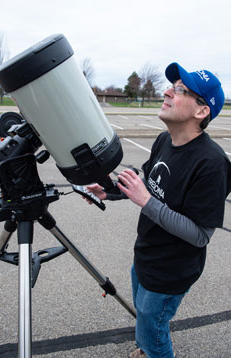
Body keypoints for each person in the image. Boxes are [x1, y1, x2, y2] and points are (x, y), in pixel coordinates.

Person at [86, 62, 231, 358]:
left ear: (201, 111)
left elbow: (201, 235)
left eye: (180, 90)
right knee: (144, 316)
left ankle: (152, 350)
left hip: (171, 272)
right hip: (146, 256)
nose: (166, 91)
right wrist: (111, 191)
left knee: (153, 331)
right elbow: (147, 183)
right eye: (172, 86)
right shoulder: (165, 139)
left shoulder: (212, 164)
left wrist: (147, 202)